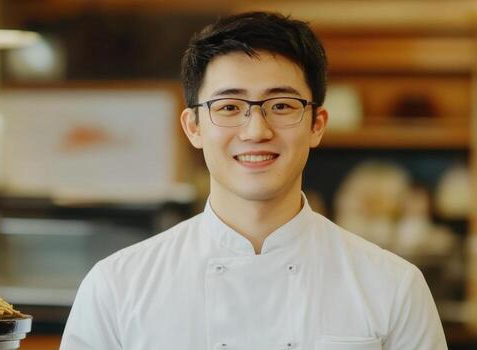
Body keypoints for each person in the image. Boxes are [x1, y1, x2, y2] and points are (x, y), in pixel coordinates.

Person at [59, 11, 447, 350]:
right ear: (193, 127)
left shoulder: (393, 287)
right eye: (229, 107)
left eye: (281, 105)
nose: (256, 130)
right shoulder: (117, 287)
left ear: (317, 125)